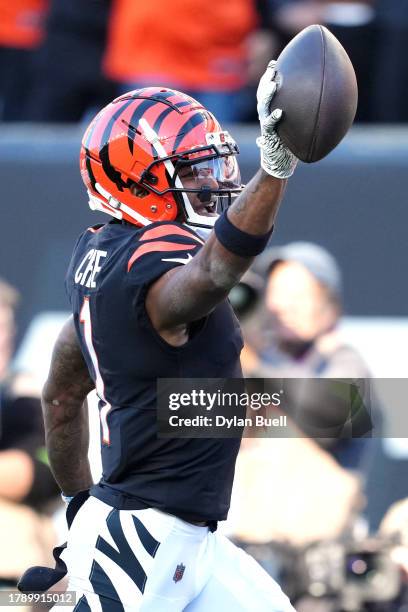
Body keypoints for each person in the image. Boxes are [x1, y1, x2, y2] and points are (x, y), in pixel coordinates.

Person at [22, 63, 303, 610]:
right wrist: (276, 168)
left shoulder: (103, 254)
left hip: (183, 537)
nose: (213, 181)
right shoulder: (147, 263)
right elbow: (211, 275)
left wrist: (80, 505)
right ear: (134, 181)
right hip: (143, 539)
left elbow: (61, 396)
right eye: (192, 171)